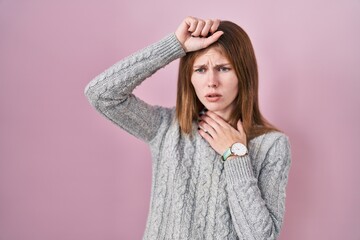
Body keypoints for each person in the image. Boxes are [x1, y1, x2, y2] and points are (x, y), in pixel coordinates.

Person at [85, 16, 291, 240]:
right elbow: (101, 94)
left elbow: (262, 237)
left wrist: (235, 156)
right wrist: (175, 46)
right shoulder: (166, 128)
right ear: (189, 77)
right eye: (200, 69)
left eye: (223, 68)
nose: (211, 81)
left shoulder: (272, 145)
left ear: (243, 73)